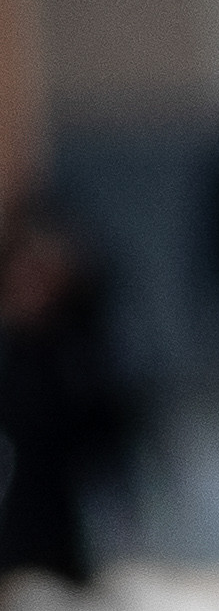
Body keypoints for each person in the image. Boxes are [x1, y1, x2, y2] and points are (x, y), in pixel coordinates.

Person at [0, 190, 137, 587]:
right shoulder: (16, 353)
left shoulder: (72, 356)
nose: (36, 288)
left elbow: (105, 448)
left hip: (54, 548)